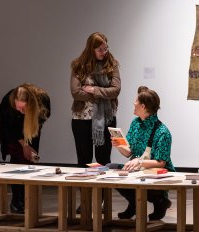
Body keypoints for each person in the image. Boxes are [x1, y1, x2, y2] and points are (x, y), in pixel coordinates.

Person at [70, 32, 121, 213]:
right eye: (100, 49)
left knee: (103, 160)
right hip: (82, 119)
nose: (104, 52)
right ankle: (85, 201)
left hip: (106, 119)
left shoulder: (112, 64)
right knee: (84, 161)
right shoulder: (79, 65)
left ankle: (101, 201)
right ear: (91, 49)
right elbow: (75, 92)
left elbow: (115, 90)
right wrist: (101, 93)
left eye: (106, 48)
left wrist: (93, 90)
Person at [111, 86, 175, 221]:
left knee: (136, 178)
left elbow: (161, 162)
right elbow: (129, 153)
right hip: (137, 169)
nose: (133, 103)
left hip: (155, 173)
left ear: (143, 106)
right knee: (111, 168)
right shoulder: (135, 123)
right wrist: (119, 145)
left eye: (136, 101)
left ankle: (160, 201)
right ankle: (134, 203)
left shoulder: (162, 131)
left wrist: (139, 161)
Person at [0, 83, 51, 214]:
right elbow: (9, 127)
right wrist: (24, 144)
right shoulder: (8, 104)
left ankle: (27, 199)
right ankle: (16, 200)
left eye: (24, 108)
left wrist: (29, 143)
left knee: (30, 161)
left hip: (32, 126)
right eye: (19, 108)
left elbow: (43, 118)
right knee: (17, 160)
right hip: (12, 131)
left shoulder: (43, 99)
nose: (21, 110)